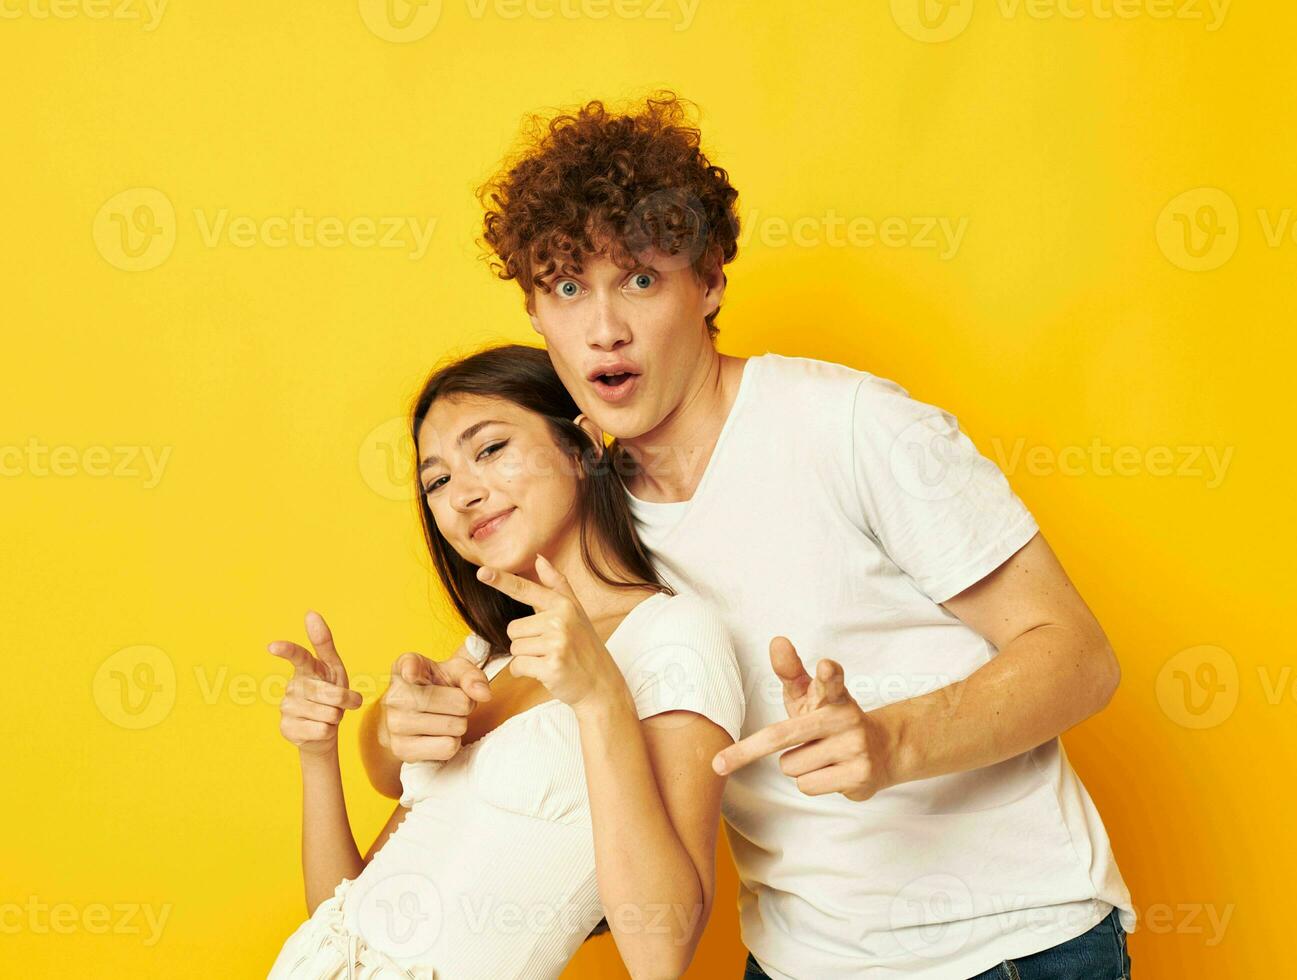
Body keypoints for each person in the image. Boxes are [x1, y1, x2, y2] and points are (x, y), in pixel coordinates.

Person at [364, 91, 1136, 979]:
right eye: (569, 287)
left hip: (1011, 947)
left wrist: (895, 741)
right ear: (536, 313)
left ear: (711, 282)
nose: (604, 326)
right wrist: (388, 726)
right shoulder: (578, 507)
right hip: (801, 961)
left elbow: (1078, 656)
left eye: (641, 279)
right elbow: (468, 717)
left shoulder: (848, 424)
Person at [265, 344, 744, 979]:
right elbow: (337, 927)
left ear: (583, 448)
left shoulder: (675, 636)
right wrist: (317, 752)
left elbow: (662, 952)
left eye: (489, 449)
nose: (462, 494)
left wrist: (600, 701)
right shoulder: (485, 660)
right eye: (437, 480)